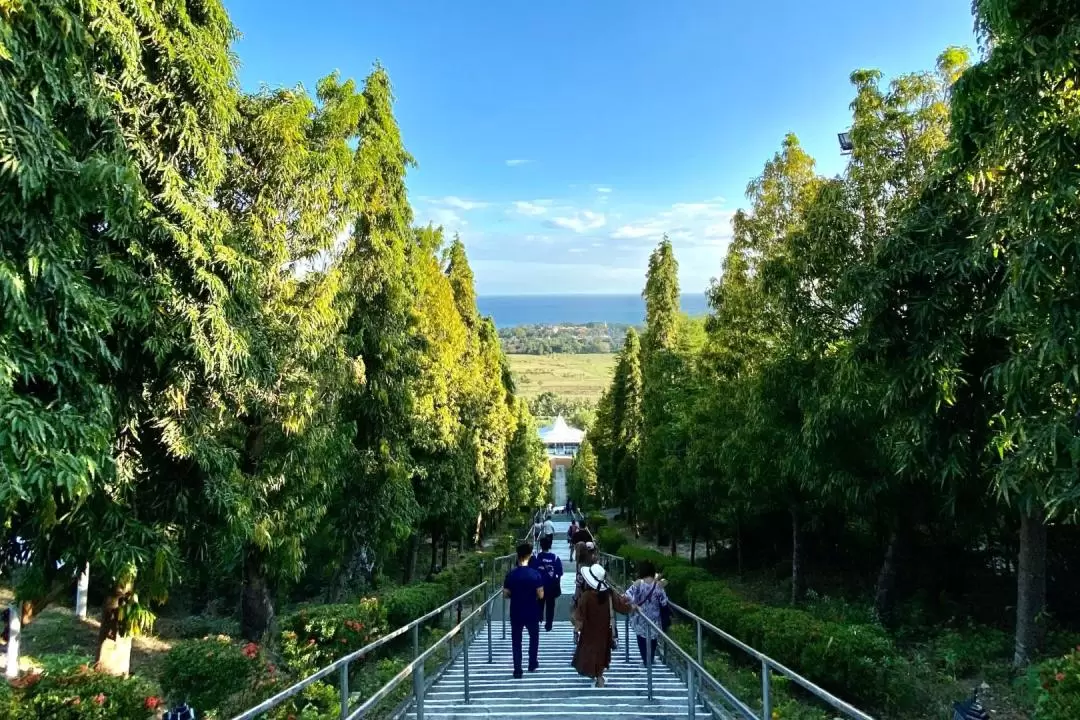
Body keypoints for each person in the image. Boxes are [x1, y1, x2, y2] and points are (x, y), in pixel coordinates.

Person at [573, 564, 633, 688]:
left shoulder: (586, 596)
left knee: (589, 652)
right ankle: (599, 677)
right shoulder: (608, 594)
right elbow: (621, 606)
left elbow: (578, 615)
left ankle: (596, 677)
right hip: (604, 631)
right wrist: (632, 607)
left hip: (589, 631)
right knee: (601, 653)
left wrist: (577, 627)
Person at [503, 543, 544, 678]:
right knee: (534, 638)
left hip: (516, 611)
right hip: (532, 611)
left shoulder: (511, 575)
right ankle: (532, 663)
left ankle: (517, 670)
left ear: (517, 555)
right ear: (529, 555)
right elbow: (541, 594)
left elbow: (506, 594)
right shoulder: (535, 574)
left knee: (516, 641)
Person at [623, 560, 669, 666]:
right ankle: (650, 658)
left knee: (641, 638)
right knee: (653, 639)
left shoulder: (639, 583)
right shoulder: (658, 586)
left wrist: (634, 605)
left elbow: (626, 595)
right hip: (654, 619)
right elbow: (664, 602)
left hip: (641, 617)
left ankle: (645, 660)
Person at [529, 534, 564, 631]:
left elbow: (531, 572)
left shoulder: (536, 558)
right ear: (550, 545)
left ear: (540, 545)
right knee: (550, 606)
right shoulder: (555, 558)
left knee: (539, 604)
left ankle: (538, 620)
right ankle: (549, 625)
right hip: (551, 587)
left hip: (539, 586)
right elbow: (559, 573)